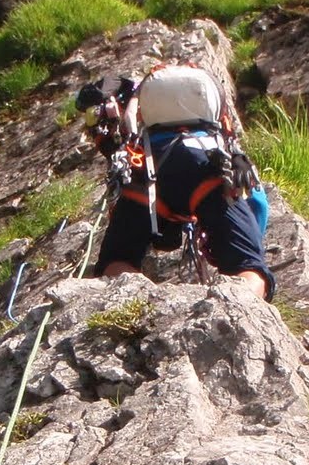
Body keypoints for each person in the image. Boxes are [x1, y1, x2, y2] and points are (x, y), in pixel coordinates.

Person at [78, 64, 274, 301]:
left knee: (117, 261)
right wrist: (247, 240)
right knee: (249, 267)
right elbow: (258, 204)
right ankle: (241, 306)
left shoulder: (131, 99)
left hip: (147, 174)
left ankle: (128, 307)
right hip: (208, 170)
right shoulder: (221, 138)